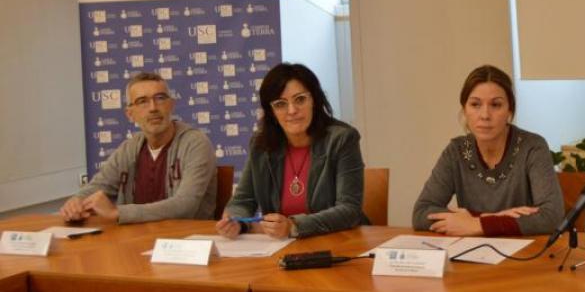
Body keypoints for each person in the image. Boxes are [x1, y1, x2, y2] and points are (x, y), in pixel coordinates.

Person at [216, 63, 364, 239]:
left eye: (300, 99)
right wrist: (235, 221)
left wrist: (294, 226)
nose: (292, 111)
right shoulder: (261, 145)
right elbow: (243, 200)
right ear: (271, 112)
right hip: (281, 248)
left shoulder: (342, 139)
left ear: (314, 100)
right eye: (280, 104)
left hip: (337, 242)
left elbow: (350, 210)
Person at [412, 65, 564, 236]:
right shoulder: (456, 151)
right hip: (472, 255)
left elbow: (552, 216)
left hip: (524, 254)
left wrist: (477, 224)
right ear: (465, 109)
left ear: (509, 111)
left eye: (496, 105)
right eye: (475, 104)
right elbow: (421, 213)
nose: (485, 115)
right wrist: (488, 218)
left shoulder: (533, 147)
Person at [60, 72, 217, 223]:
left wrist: (118, 213)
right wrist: (76, 201)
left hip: (185, 242)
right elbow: (98, 187)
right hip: (137, 240)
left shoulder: (195, 143)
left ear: (171, 105)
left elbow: (185, 205)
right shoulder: (129, 148)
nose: (153, 108)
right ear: (130, 114)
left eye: (160, 98)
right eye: (142, 101)